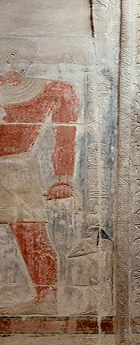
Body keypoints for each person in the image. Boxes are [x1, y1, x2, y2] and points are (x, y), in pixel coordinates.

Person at [0, 63, 78, 315]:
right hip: (17, 168)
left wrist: (63, 178)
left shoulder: (54, 89)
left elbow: (65, 136)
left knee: (30, 232)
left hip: (16, 167)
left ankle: (46, 295)